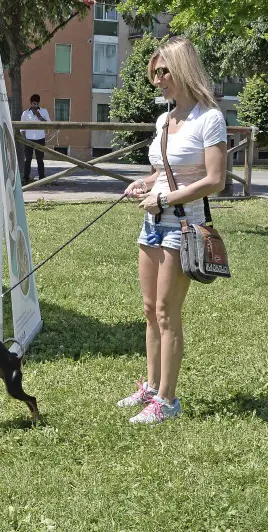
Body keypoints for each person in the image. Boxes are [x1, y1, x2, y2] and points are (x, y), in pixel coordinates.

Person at [121, 36, 227, 424]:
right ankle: (150, 388)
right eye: (154, 73)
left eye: (163, 71)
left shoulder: (209, 118)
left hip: (183, 226)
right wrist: (146, 184)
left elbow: (216, 180)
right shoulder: (164, 120)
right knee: (150, 310)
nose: (157, 79)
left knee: (167, 313)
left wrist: (165, 199)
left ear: (182, 69)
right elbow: (165, 171)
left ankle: (167, 402)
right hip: (151, 224)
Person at [20, 94, 50, 183]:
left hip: (40, 138)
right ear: (31, 103)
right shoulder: (25, 113)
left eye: (36, 104)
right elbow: (22, 128)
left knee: (40, 159)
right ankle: (26, 178)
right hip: (28, 139)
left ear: (39, 103)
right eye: (33, 104)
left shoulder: (44, 111)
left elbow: (49, 124)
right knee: (28, 160)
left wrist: (40, 116)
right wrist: (24, 139)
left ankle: (41, 178)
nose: (35, 106)